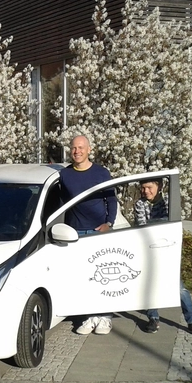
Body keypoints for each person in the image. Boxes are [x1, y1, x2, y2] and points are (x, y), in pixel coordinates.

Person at [134, 178, 192, 337]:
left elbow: (174, 223)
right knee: (151, 285)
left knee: (179, 288)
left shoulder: (169, 201)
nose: (145, 191)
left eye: (149, 187)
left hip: (169, 251)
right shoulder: (140, 204)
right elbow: (142, 226)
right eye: (143, 188)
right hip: (149, 251)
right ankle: (153, 317)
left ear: (159, 186)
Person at [59, 135, 117, 336]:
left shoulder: (101, 173)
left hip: (97, 231)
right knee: (83, 276)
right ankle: (88, 317)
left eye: (81, 148)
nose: (77, 151)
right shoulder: (64, 174)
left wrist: (109, 223)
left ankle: (105, 317)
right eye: (74, 148)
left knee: (101, 275)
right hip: (74, 231)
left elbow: (112, 200)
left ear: (89, 150)